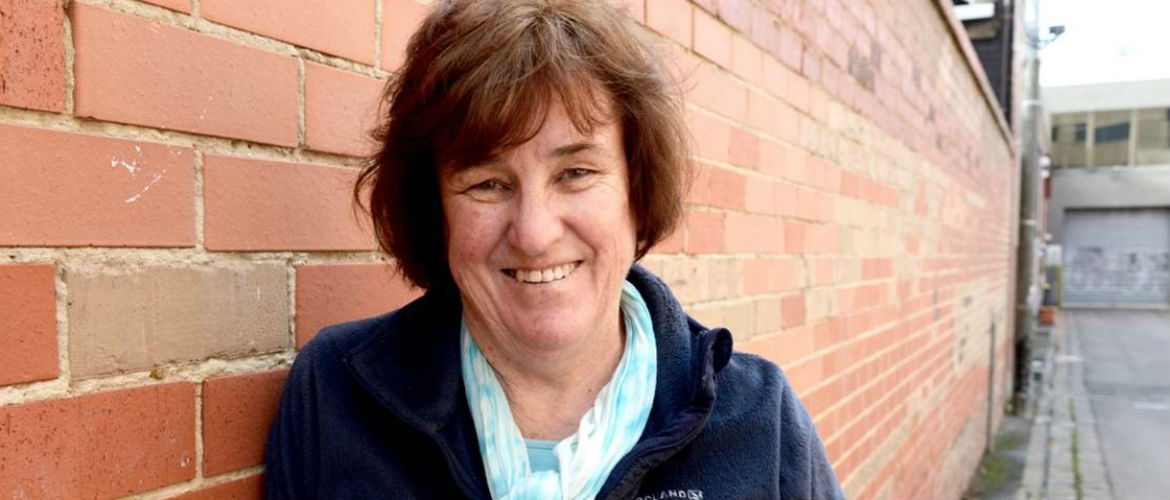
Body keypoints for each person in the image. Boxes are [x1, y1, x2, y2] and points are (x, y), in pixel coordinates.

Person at [264, 1, 845, 498]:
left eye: (576, 172)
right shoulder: (335, 394)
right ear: (434, 207)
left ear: (636, 190)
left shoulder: (760, 421)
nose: (535, 233)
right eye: (487, 183)